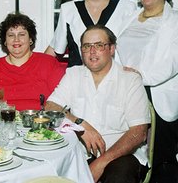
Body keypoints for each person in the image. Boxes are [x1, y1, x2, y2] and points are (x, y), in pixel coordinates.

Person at [46, 24, 150, 183]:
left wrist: (101, 163)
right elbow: (51, 106)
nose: (92, 51)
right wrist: (80, 124)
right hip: (80, 152)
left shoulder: (130, 80)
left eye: (99, 45)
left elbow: (138, 132)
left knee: (119, 177)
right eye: (87, 46)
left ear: (112, 49)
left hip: (122, 154)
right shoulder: (74, 74)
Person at [117, 0, 178, 182]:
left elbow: (172, 63)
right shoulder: (131, 16)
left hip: (157, 94)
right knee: (131, 152)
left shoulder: (174, 21)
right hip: (128, 90)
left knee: (162, 156)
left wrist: (140, 76)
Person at [45, 0, 137, 67]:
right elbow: (55, 48)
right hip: (78, 78)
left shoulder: (126, 8)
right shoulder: (68, 9)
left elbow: (136, 48)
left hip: (116, 78)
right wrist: (34, 70)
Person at [0, 12, 66, 110]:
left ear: (30, 39)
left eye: (21, 34)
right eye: (11, 35)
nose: (16, 40)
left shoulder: (48, 64)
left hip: (40, 123)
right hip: (2, 123)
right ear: (5, 41)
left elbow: (64, 102)